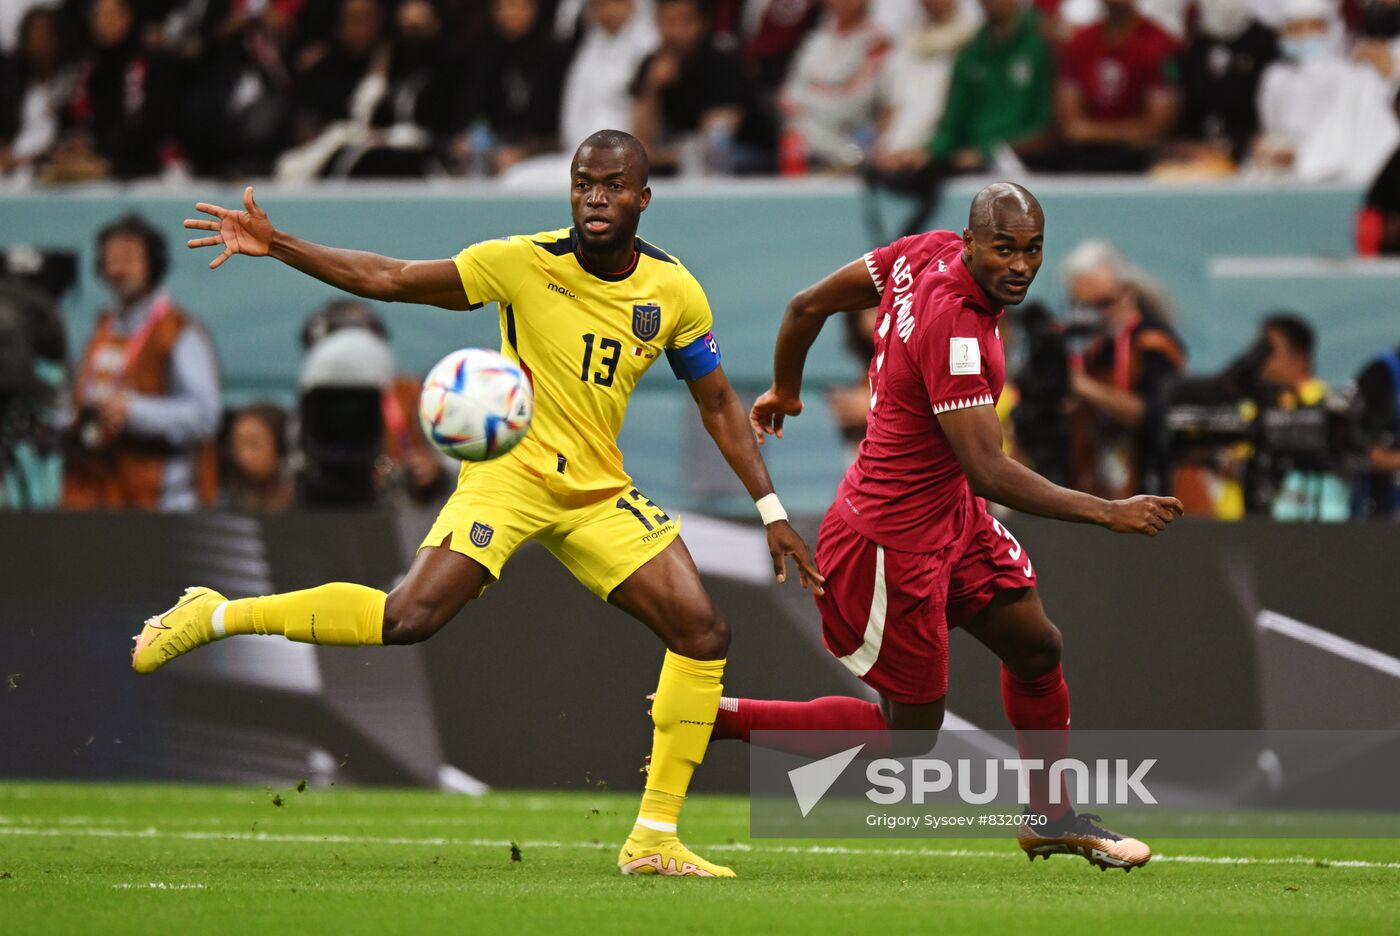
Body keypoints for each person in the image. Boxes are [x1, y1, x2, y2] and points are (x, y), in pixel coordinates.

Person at [135, 130, 823, 879]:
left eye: (614, 185)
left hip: (596, 490)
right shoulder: (522, 263)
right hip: (511, 474)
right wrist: (282, 244)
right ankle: (213, 613)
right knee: (409, 618)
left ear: (642, 199)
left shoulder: (674, 291)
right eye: (584, 183)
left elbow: (718, 400)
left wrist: (771, 509)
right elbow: (393, 277)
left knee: (702, 631)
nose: (596, 197)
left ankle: (653, 838)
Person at [737, 183, 1183, 871]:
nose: (1020, 265)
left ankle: (1050, 816)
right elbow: (988, 470)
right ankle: (716, 717)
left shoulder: (921, 253)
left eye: (1032, 250)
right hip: (892, 539)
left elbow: (807, 306)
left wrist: (784, 388)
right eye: (1004, 249)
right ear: (973, 241)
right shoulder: (957, 330)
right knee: (909, 739)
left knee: (1037, 648)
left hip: (951, 515)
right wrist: (1107, 511)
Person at [63, 213, 221, 511]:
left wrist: (134, 411)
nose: (118, 269)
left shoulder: (177, 331)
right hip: (100, 492)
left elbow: (205, 417)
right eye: (110, 259)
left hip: (160, 500)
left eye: (128, 258)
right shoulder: (104, 326)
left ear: (153, 263)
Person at [1062, 238, 1183, 499]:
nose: (1092, 316)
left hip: (1152, 484)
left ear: (1127, 292)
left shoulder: (1153, 342)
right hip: (1096, 485)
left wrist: (1084, 388)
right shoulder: (1091, 347)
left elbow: (1154, 416)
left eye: (1102, 304)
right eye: (1081, 306)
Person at [1251, 0, 1400, 183]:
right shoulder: (1275, 77)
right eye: (1295, 28)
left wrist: (1392, 74)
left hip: (1342, 171)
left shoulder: (1351, 73)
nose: (1304, 35)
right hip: (1299, 172)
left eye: (1312, 27)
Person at [1034, 0, 1180, 173]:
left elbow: (1156, 128)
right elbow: (1071, 125)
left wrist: (1091, 131)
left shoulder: (1160, 45)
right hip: (1084, 153)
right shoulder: (1079, 44)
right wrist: (1128, 132)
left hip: (1138, 157)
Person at [779, 0, 890, 171]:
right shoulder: (815, 40)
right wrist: (823, 97)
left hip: (844, 154)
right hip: (795, 148)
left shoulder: (877, 44)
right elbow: (788, 96)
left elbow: (851, 107)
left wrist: (807, 102)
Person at [1174, 0, 1279, 167]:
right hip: (1199, 153)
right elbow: (1186, 104)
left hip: (1252, 153)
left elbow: (1272, 112)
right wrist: (1188, 144)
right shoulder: (1194, 46)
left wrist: (1243, 145)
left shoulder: (1267, 44)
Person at [221, 402, 294, 512]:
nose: (245, 455)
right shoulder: (227, 502)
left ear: (281, 446)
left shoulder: (304, 498)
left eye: (254, 444)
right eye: (238, 445)